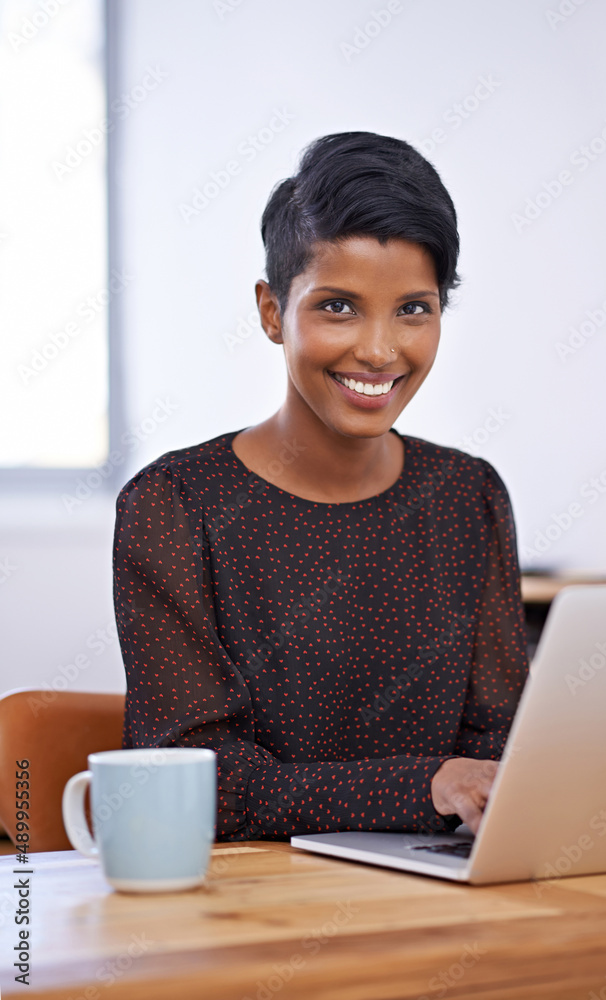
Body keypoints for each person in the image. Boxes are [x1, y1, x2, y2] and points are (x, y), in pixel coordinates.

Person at [113, 131, 529, 842]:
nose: (378, 349)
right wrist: (422, 787)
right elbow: (195, 777)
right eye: (338, 306)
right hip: (249, 905)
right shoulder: (174, 504)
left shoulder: (470, 495)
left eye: (413, 309)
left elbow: (503, 749)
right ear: (273, 311)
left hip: (442, 892)